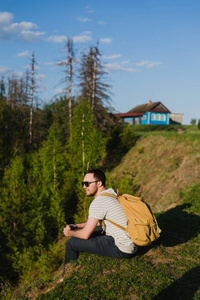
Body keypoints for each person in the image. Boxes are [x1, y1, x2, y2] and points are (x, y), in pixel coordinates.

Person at [62, 169, 138, 278]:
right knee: (95, 231)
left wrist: (70, 233)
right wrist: (77, 226)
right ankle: (82, 262)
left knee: (72, 243)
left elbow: (85, 235)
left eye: (87, 183)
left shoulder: (99, 202)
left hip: (122, 249)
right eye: (83, 184)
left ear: (99, 183)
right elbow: (98, 222)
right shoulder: (111, 194)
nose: (84, 186)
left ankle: (67, 277)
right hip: (131, 242)